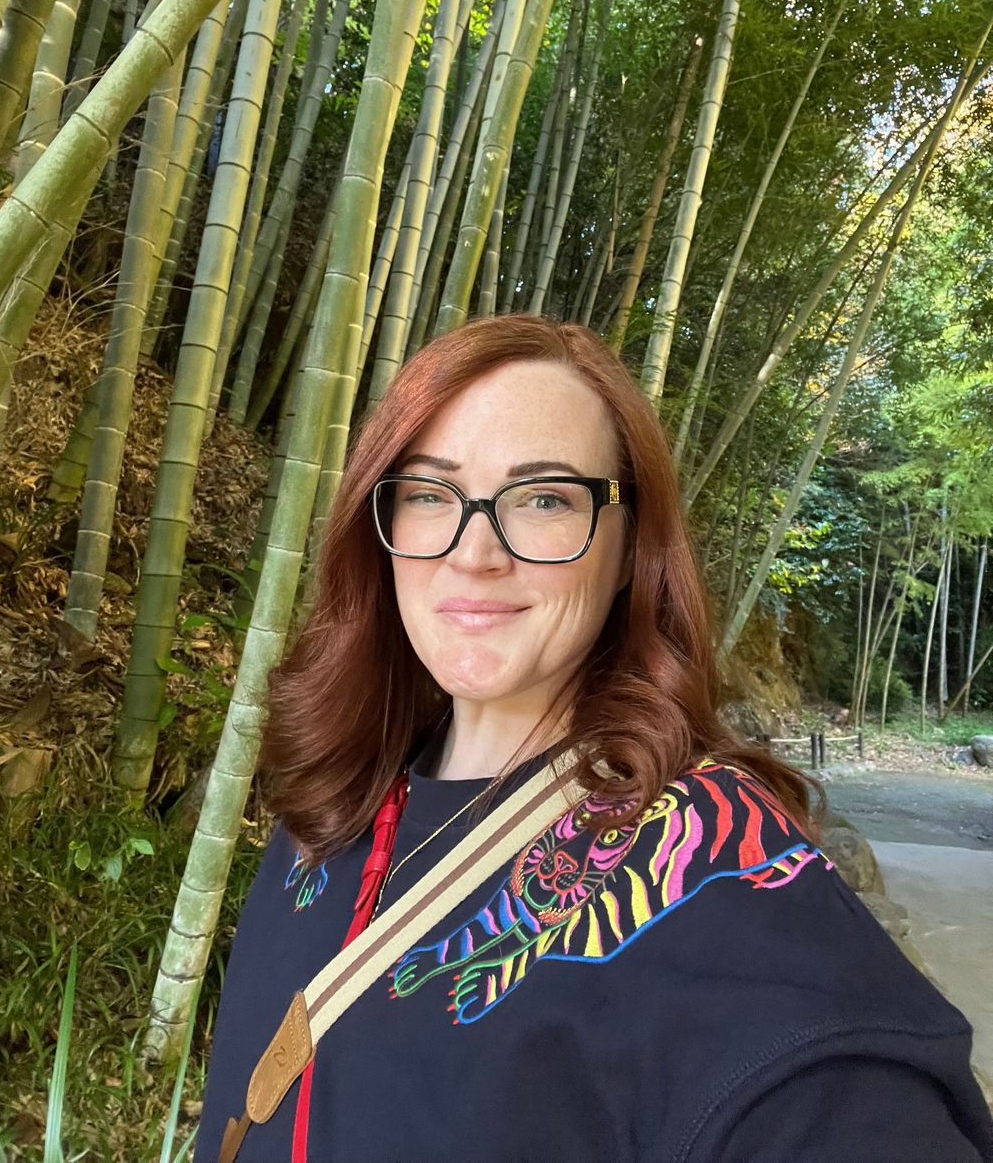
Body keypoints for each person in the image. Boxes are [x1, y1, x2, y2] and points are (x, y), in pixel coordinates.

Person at [196, 314, 993, 1162]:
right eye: (429, 493)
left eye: (545, 498)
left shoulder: (708, 863)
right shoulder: (336, 799)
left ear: (629, 549)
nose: (474, 552)